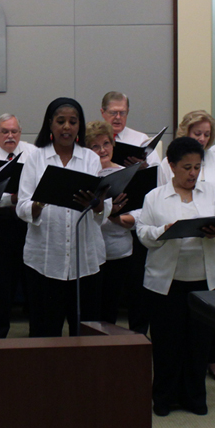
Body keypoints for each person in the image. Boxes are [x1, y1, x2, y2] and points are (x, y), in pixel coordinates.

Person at [135, 137, 215, 416]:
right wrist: (163, 231)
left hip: (204, 280)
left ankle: (194, 397)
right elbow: (143, 233)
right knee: (167, 344)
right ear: (172, 166)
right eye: (187, 167)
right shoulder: (155, 197)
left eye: (197, 167)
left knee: (199, 343)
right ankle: (164, 398)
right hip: (166, 282)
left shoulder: (212, 192)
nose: (193, 173)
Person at [16, 97, 109, 337]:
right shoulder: (35, 158)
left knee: (86, 331)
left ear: (80, 126)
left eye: (72, 121)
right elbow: (22, 206)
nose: (66, 127)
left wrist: (96, 204)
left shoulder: (90, 158)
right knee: (45, 330)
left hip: (85, 260)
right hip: (45, 260)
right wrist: (39, 203)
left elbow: (102, 209)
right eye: (60, 121)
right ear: (50, 124)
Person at [0, 113, 35, 337]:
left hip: (28, 224)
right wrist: (11, 198)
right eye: (5, 131)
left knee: (31, 279)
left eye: (14, 131)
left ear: (20, 133)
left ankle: (37, 330)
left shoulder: (32, 153)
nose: (10, 136)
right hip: (0, 225)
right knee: (1, 282)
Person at [85, 121, 137, 327]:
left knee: (110, 309)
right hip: (89, 252)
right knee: (90, 310)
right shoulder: (85, 175)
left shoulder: (127, 173)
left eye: (106, 144)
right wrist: (106, 211)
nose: (102, 150)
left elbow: (139, 216)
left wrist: (116, 217)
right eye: (95, 146)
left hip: (118, 250)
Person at [100, 91, 158, 166]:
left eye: (122, 113)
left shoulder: (141, 140)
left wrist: (144, 169)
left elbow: (157, 170)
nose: (118, 117)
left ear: (127, 112)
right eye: (113, 113)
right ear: (102, 113)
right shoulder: (91, 138)